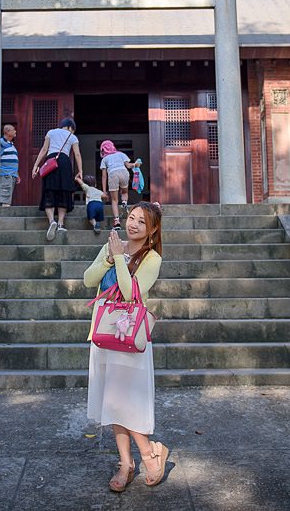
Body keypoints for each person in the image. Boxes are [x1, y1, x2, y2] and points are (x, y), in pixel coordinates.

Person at [83, 202, 169, 491]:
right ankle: (126, 463)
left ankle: (147, 454)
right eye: (131, 218)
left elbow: (132, 292)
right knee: (112, 401)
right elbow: (88, 280)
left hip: (130, 335)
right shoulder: (112, 246)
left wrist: (119, 259)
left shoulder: (152, 258)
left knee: (125, 401)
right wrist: (109, 258)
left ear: (152, 229)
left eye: (141, 222)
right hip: (103, 332)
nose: (133, 225)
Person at [31, 118, 82, 241]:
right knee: (63, 191)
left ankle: (51, 221)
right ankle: (60, 223)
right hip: (64, 162)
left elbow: (44, 150)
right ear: (71, 127)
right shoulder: (72, 137)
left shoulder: (51, 132)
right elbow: (77, 154)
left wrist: (35, 166)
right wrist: (80, 171)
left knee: (49, 190)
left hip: (50, 162)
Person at [98, 140, 141, 230]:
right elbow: (128, 166)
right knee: (125, 192)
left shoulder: (104, 159)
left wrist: (104, 191)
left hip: (113, 174)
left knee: (114, 200)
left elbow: (104, 176)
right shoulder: (121, 154)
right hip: (124, 172)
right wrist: (135, 165)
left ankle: (117, 222)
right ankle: (124, 202)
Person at [0, 124, 21, 207]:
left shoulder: (11, 144)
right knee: (5, 198)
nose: (15, 131)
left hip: (12, 174)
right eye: (13, 130)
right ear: (7, 132)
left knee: (8, 198)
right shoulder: (1, 143)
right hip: (6, 174)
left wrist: (17, 174)